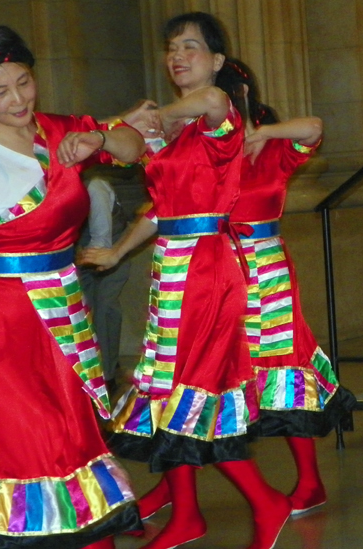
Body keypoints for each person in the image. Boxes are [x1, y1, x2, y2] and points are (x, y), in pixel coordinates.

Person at [0, 25, 145, 549]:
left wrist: (101, 138)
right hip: (2, 328)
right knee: (26, 456)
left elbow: (134, 148)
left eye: (24, 82)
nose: (18, 98)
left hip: (62, 312)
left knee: (75, 449)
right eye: (0, 91)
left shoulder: (59, 130)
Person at [81, 12, 292, 549]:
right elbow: (159, 210)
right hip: (172, 270)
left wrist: (160, 119)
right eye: (173, 47)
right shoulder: (168, 135)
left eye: (191, 47)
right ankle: (187, 516)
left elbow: (213, 102)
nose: (178, 56)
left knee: (190, 392)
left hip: (209, 269)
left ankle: (266, 503)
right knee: (160, 391)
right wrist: (117, 250)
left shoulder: (215, 118)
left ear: (217, 61)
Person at [215, 58, 357, 514]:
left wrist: (264, 133)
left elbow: (313, 127)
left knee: (282, 371)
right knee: (206, 376)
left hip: (264, 269)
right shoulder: (207, 149)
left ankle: (311, 481)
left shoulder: (271, 148)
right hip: (214, 269)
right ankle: (175, 491)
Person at [77, 172, 131, 395]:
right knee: (81, 311)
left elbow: (101, 242)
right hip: (81, 249)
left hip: (111, 248)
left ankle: (107, 378)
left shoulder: (95, 187)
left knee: (104, 309)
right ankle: (89, 371)